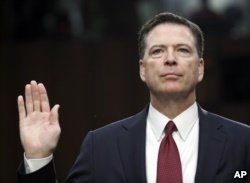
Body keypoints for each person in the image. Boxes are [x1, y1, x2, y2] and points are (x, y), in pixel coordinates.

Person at [17, 12, 250, 183]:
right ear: (142, 69)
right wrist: (38, 158)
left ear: (200, 68)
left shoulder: (243, 142)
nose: (170, 59)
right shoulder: (101, 146)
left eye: (182, 50)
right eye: (158, 51)